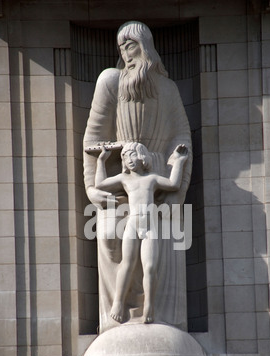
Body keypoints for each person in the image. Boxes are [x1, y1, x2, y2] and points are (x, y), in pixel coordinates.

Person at [83, 21, 193, 332]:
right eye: (121, 47)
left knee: (160, 254)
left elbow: (182, 136)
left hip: (157, 181)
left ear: (145, 45)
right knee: (106, 236)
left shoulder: (168, 89)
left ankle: (157, 313)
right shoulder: (110, 81)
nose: (125, 53)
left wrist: (178, 189)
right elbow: (92, 140)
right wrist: (92, 188)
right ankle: (115, 313)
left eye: (130, 45)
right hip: (122, 184)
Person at [95, 142, 188, 324]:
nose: (129, 160)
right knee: (127, 264)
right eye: (125, 156)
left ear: (142, 157)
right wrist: (101, 160)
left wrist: (179, 161)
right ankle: (118, 303)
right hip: (132, 225)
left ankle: (149, 306)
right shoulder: (124, 178)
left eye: (132, 155)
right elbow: (100, 184)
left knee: (150, 267)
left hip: (149, 227)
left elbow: (173, 184)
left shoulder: (151, 179)